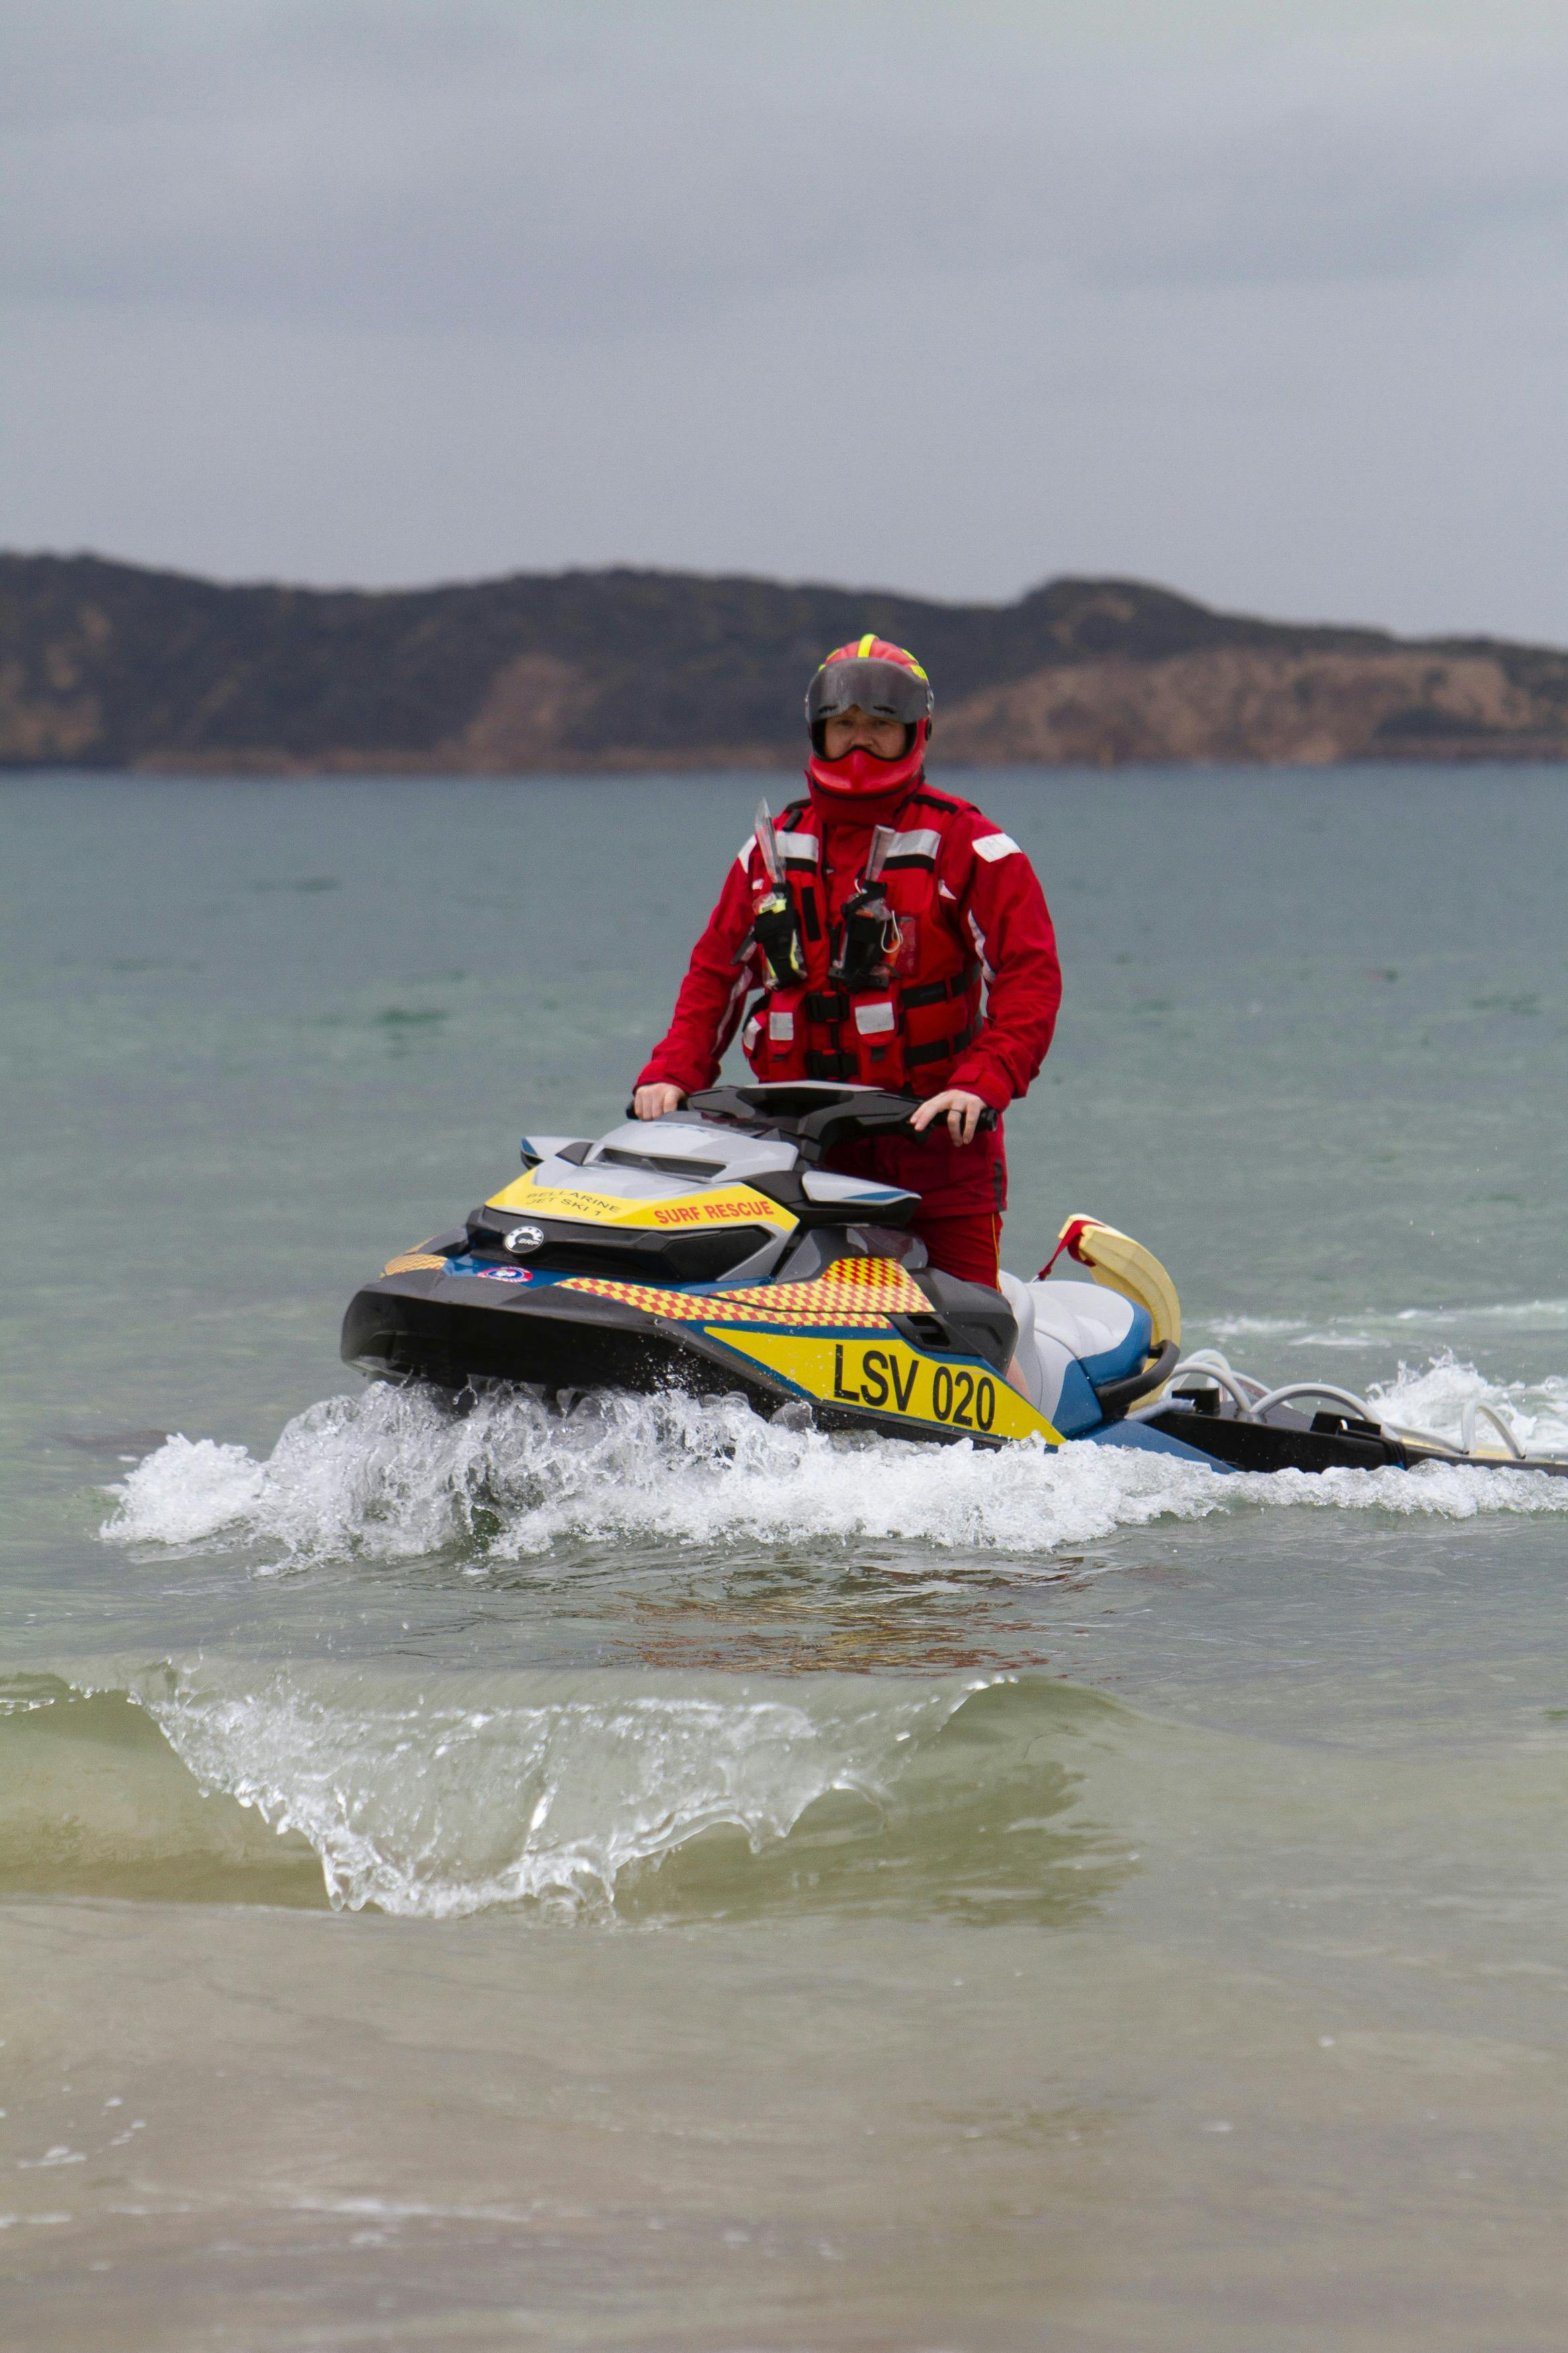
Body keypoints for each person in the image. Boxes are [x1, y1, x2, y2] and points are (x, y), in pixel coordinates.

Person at [632, 636, 1061, 1289]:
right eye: (845, 727)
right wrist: (670, 1073)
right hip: (792, 1151)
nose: (859, 747)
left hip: (934, 1148)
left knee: (974, 1328)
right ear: (818, 732)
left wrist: (982, 1079)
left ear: (915, 731)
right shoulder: (767, 852)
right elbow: (714, 975)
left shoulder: (971, 845)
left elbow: (1029, 976)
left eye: (879, 728)